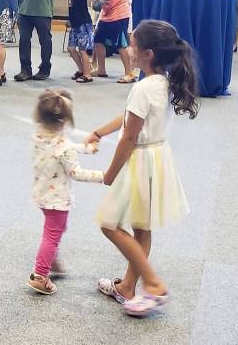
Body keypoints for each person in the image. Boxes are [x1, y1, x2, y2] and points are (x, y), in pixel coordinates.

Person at [84, 20, 198, 317]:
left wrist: (110, 174)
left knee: (109, 225)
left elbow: (129, 137)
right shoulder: (163, 81)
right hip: (158, 158)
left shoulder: (142, 88)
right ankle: (127, 288)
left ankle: (154, 283)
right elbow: (129, 118)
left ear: (147, 54)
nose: (128, 49)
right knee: (141, 227)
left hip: (140, 161)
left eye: (132, 45)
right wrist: (98, 132)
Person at [26, 88, 104, 295]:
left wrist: (85, 148)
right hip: (57, 199)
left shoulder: (38, 136)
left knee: (55, 230)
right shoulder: (64, 146)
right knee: (52, 235)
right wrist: (103, 176)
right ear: (65, 120)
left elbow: (61, 148)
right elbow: (75, 172)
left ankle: (51, 260)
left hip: (42, 193)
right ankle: (40, 276)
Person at [87, 0, 133, 83]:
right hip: (106, 14)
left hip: (120, 13)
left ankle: (129, 73)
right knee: (98, 40)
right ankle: (101, 70)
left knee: (121, 43)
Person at [56, 0, 94, 83]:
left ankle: (87, 75)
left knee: (83, 50)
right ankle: (81, 70)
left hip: (83, 24)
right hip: (75, 24)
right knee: (71, 49)